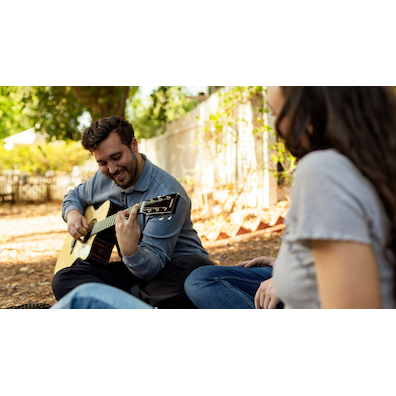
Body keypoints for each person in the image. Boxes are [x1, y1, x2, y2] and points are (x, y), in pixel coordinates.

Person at [185, 86, 396, 309]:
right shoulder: (373, 163)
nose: (276, 128)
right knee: (201, 279)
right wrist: (288, 263)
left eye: (275, 114)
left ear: (309, 110)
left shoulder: (323, 170)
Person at [52, 115, 213, 309]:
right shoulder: (103, 178)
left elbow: (152, 268)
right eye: (102, 163)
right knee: (64, 278)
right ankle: (134, 301)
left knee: (192, 273)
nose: (112, 169)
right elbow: (74, 196)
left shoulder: (167, 194)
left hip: (171, 269)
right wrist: (72, 214)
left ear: (134, 145)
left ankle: (117, 301)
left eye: (116, 157)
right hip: (136, 272)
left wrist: (129, 250)